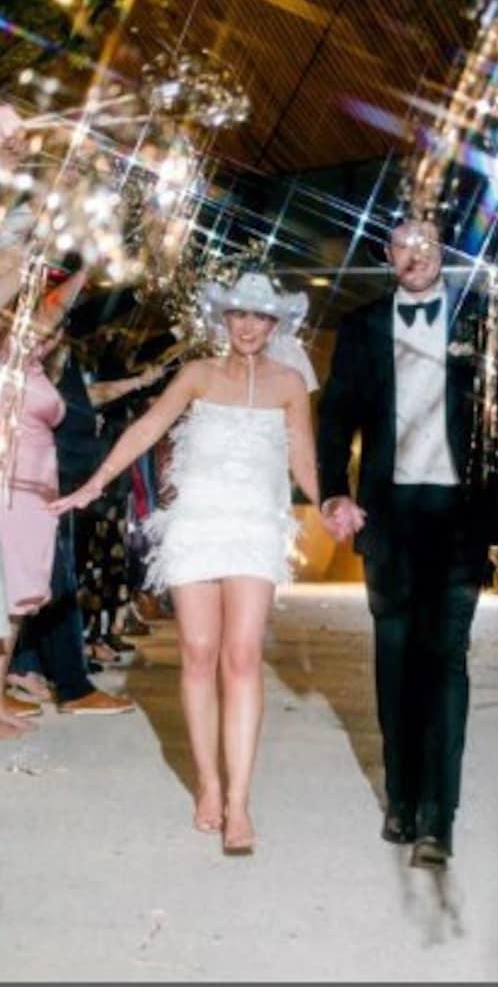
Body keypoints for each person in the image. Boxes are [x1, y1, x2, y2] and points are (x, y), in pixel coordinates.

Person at [50, 270, 319, 855]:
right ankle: (208, 784)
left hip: (254, 525)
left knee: (241, 655)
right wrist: (96, 481)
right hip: (196, 522)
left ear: (275, 324)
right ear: (224, 319)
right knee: (198, 653)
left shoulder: (290, 383)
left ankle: (240, 800)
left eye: (260, 316)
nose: (248, 326)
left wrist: (332, 504)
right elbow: (149, 427)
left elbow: (302, 457)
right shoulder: (197, 374)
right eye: (239, 314)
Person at [317, 215, 498, 868]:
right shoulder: (361, 326)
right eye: (401, 245)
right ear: (387, 255)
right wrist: (333, 492)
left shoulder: (479, 320)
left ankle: (438, 819)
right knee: (395, 659)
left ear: (442, 250)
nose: (414, 254)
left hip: (458, 515)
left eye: (425, 243)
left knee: (446, 661)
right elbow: (335, 419)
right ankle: (402, 796)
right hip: (389, 516)